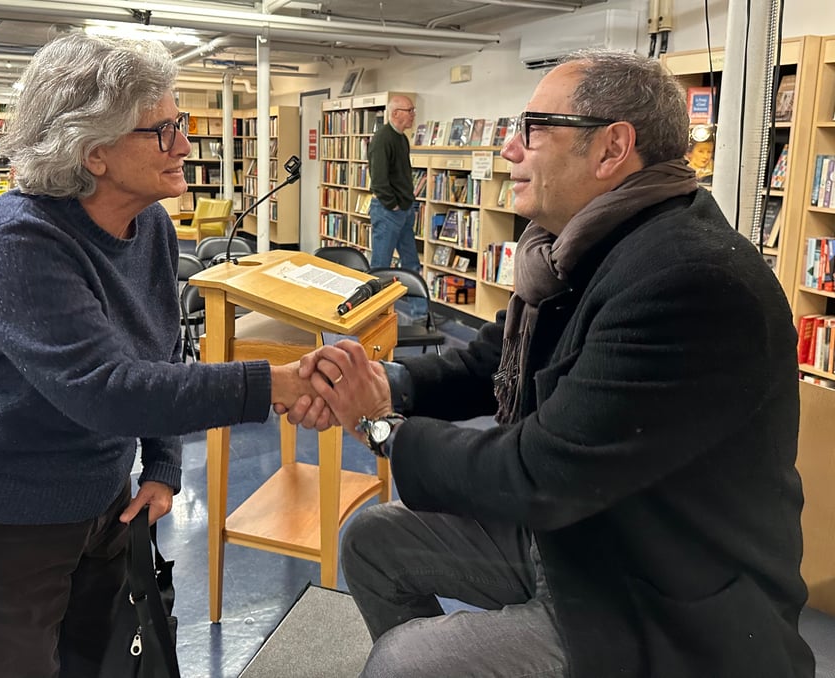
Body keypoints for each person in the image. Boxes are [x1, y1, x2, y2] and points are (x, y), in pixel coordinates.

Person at [288, 50, 813, 677]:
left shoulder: (689, 280)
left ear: (612, 148)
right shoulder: (588, 246)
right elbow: (496, 362)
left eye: (534, 128)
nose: (510, 148)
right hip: (579, 541)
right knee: (371, 541)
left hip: (652, 593)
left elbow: (538, 473)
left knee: (405, 663)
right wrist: (386, 383)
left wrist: (377, 426)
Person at [0, 33, 319, 678]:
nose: (185, 145)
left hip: (102, 500)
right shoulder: (16, 241)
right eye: (162, 131)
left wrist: (161, 461)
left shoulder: (148, 222)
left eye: (179, 123)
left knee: (108, 664)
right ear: (92, 151)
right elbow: (106, 388)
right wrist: (277, 383)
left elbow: (157, 354)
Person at [367, 95, 421, 272]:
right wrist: (393, 204)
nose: (413, 114)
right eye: (409, 110)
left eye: (413, 110)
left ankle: (416, 301)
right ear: (396, 113)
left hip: (404, 208)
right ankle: (377, 300)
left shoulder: (402, 138)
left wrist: (407, 202)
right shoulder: (382, 138)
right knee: (381, 264)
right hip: (387, 210)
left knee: (411, 263)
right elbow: (378, 179)